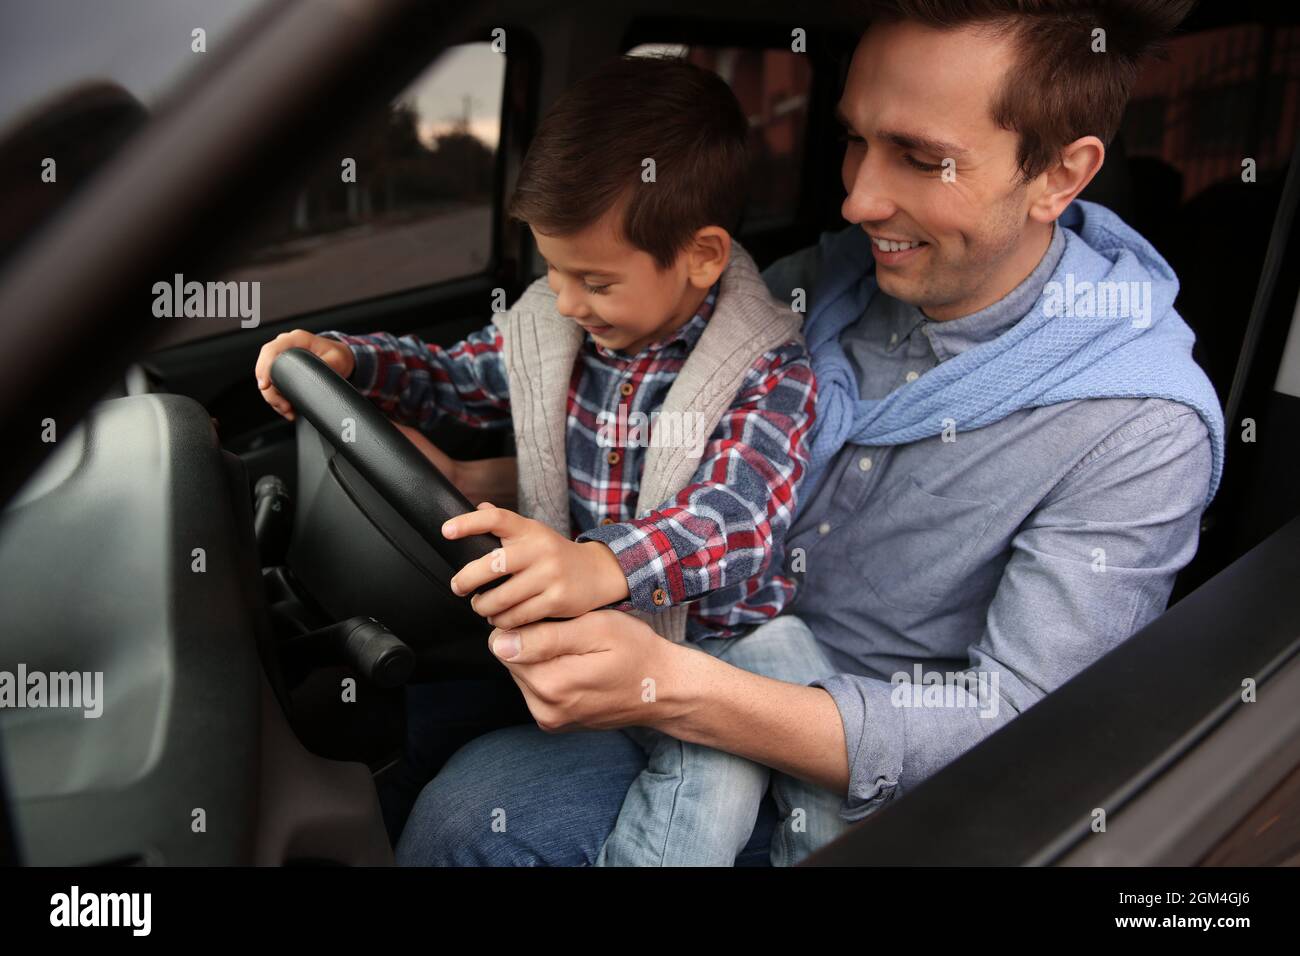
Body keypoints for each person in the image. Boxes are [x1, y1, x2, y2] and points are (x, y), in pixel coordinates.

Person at [393, 0, 1224, 867]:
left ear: (1058, 175)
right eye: (855, 140)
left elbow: (1025, 727)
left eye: (920, 157)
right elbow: (668, 447)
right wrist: (473, 482)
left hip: (872, 785)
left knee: (474, 817)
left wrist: (682, 688)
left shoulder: (1141, 428)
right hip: (692, 642)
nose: (857, 198)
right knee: (406, 728)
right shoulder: (818, 285)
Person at [254, 55, 841, 865]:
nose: (565, 299)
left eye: (593, 279)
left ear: (702, 257)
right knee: (396, 734)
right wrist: (354, 361)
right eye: (551, 270)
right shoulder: (557, 328)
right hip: (592, 626)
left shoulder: (768, 368)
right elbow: (459, 381)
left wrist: (603, 564)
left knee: (697, 824)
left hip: (725, 647)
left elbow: (734, 519)